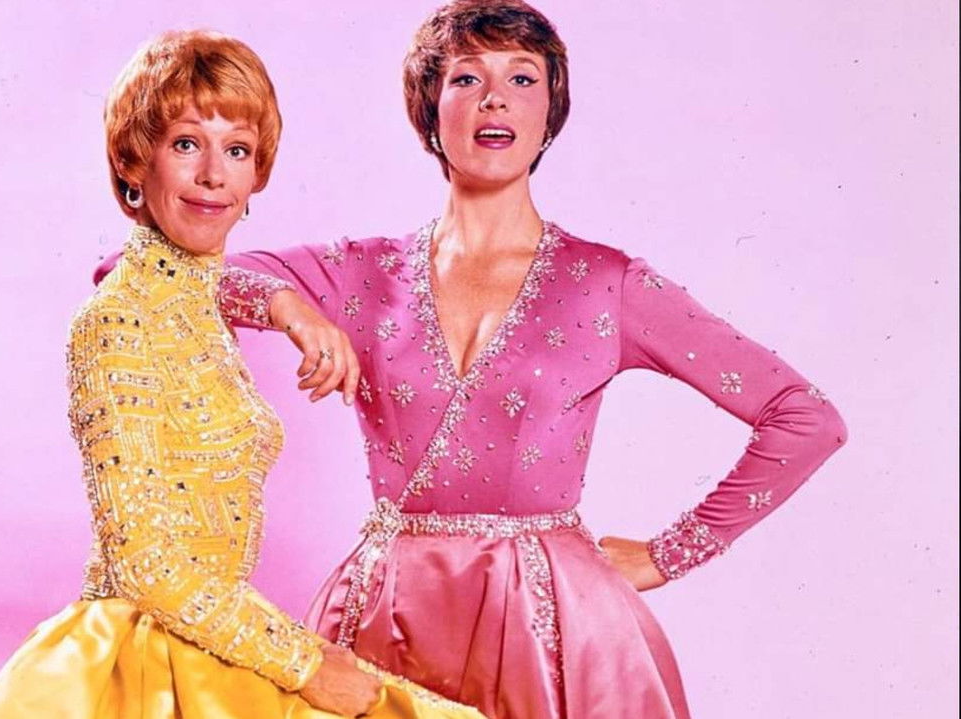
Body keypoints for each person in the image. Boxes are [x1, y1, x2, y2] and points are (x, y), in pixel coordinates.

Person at [94, 3, 848, 717]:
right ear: (430, 110)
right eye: (465, 79)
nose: (495, 101)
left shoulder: (606, 282)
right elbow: (128, 270)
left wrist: (669, 552)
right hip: (384, 615)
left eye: (521, 78)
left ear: (550, 110)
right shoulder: (362, 272)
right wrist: (287, 307)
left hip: (559, 634)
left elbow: (805, 417)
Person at [0, 29, 484, 719]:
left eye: (236, 150)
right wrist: (306, 663)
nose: (214, 174)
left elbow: (205, 283)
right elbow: (146, 563)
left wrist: (284, 303)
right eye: (185, 144)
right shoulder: (115, 323)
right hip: (141, 657)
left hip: (213, 641)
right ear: (132, 160)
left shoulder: (196, 298)